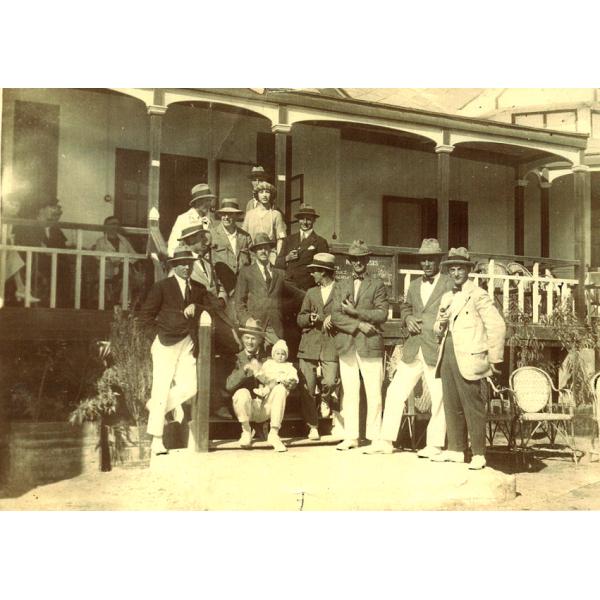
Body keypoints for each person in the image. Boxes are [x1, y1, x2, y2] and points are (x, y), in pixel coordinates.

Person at [367, 238, 453, 456]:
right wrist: (407, 319)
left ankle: (434, 445)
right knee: (395, 391)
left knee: (439, 396)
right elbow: (405, 307)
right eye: (423, 260)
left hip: (435, 347)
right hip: (414, 348)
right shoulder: (414, 285)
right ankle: (387, 440)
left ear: (438, 261)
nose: (426, 264)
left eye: (431, 260)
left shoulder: (449, 283)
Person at [432, 247, 506, 470]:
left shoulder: (478, 295)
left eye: (460, 269)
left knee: (472, 405)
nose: (456, 273)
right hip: (448, 352)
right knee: (451, 402)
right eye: (452, 269)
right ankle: (455, 449)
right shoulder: (446, 296)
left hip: (470, 355)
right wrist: (441, 323)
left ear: (468, 270)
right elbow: (437, 329)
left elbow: (497, 325)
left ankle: (478, 454)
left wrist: (494, 358)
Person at [137, 247, 213, 456]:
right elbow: (145, 316)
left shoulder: (198, 289)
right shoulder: (162, 287)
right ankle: (157, 440)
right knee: (161, 387)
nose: (186, 267)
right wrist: (156, 337)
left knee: (190, 388)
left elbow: (213, 308)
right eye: (181, 263)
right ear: (174, 265)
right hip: (165, 343)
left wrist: (197, 307)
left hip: (188, 342)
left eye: (189, 263)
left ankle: (155, 406)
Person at [331, 240, 389, 451]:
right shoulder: (341, 285)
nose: (358, 263)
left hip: (370, 344)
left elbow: (382, 314)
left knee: (374, 391)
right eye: (354, 259)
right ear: (349, 261)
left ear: (367, 260)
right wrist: (358, 325)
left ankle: (375, 438)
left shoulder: (377, 284)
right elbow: (335, 316)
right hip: (347, 344)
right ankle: (351, 436)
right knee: (350, 390)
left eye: (362, 259)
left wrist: (357, 314)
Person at [226, 319, 294, 452]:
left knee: (280, 389)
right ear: (242, 338)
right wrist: (244, 370)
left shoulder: (268, 359)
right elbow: (229, 385)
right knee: (242, 392)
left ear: (259, 340)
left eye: (253, 338)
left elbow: (284, 375)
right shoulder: (236, 358)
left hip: (265, 407)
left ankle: (274, 434)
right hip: (247, 408)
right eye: (247, 338)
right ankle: (246, 432)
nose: (250, 342)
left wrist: (289, 382)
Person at [296, 252, 339, 441]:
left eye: (314, 271)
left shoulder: (341, 290)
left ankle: (325, 398)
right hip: (310, 344)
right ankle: (312, 426)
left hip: (331, 343)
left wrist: (333, 318)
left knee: (329, 381)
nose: (312, 274)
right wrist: (309, 318)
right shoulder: (311, 293)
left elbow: (347, 314)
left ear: (323, 272)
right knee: (307, 387)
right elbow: (300, 318)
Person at [235, 233, 285, 346]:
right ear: (255, 252)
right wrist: (247, 320)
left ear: (270, 250)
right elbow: (239, 302)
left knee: (276, 358)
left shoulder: (280, 273)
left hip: (275, 327)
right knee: (254, 360)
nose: (263, 251)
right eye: (259, 248)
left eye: (266, 248)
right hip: (254, 325)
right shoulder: (246, 272)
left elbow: (293, 295)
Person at [275, 204, 329, 292]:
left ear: (314, 220)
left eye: (308, 219)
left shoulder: (320, 242)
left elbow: (324, 268)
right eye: (302, 219)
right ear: (298, 220)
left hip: (308, 287)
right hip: (289, 287)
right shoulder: (289, 239)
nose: (305, 222)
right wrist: (287, 258)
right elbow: (277, 263)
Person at [92, 216, 142, 308]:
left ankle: (123, 301)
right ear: (106, 226)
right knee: (126, 274)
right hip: (108, 269)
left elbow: (134, 255)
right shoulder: (101, 241)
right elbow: (97, 257)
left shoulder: (124, 240)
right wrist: (112, 261)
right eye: (112, 224)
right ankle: (124, 302)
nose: (115, 227)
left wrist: (124, 261)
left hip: (125, 268)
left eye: (117, 224)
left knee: (125, 273)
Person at [210, 198, 252, 295]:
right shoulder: (212, 235)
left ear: (237, 216)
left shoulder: (245, 236)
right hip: (220, 286)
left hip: (243, 285)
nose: (226, 217)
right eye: (223, 214)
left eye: (230, 214)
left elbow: (253, 261)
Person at [167, 183, 216, 256]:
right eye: (204, 201)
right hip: (189, 262)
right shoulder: (183, 219)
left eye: (209, 200)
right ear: (196, 202)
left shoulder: (209, 221)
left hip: (206, 264)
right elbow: (172, 247)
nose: (208, 204)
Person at [242, 181, 286, 256]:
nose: (264, 195)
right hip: (252, 254)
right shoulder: (249, 214)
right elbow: (243, 238)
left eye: (267, 192)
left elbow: (280, 239)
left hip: (270, 254)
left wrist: (278, 258)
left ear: (271, 195)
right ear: (257, 195)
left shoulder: (276, 214)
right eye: (261, 192)